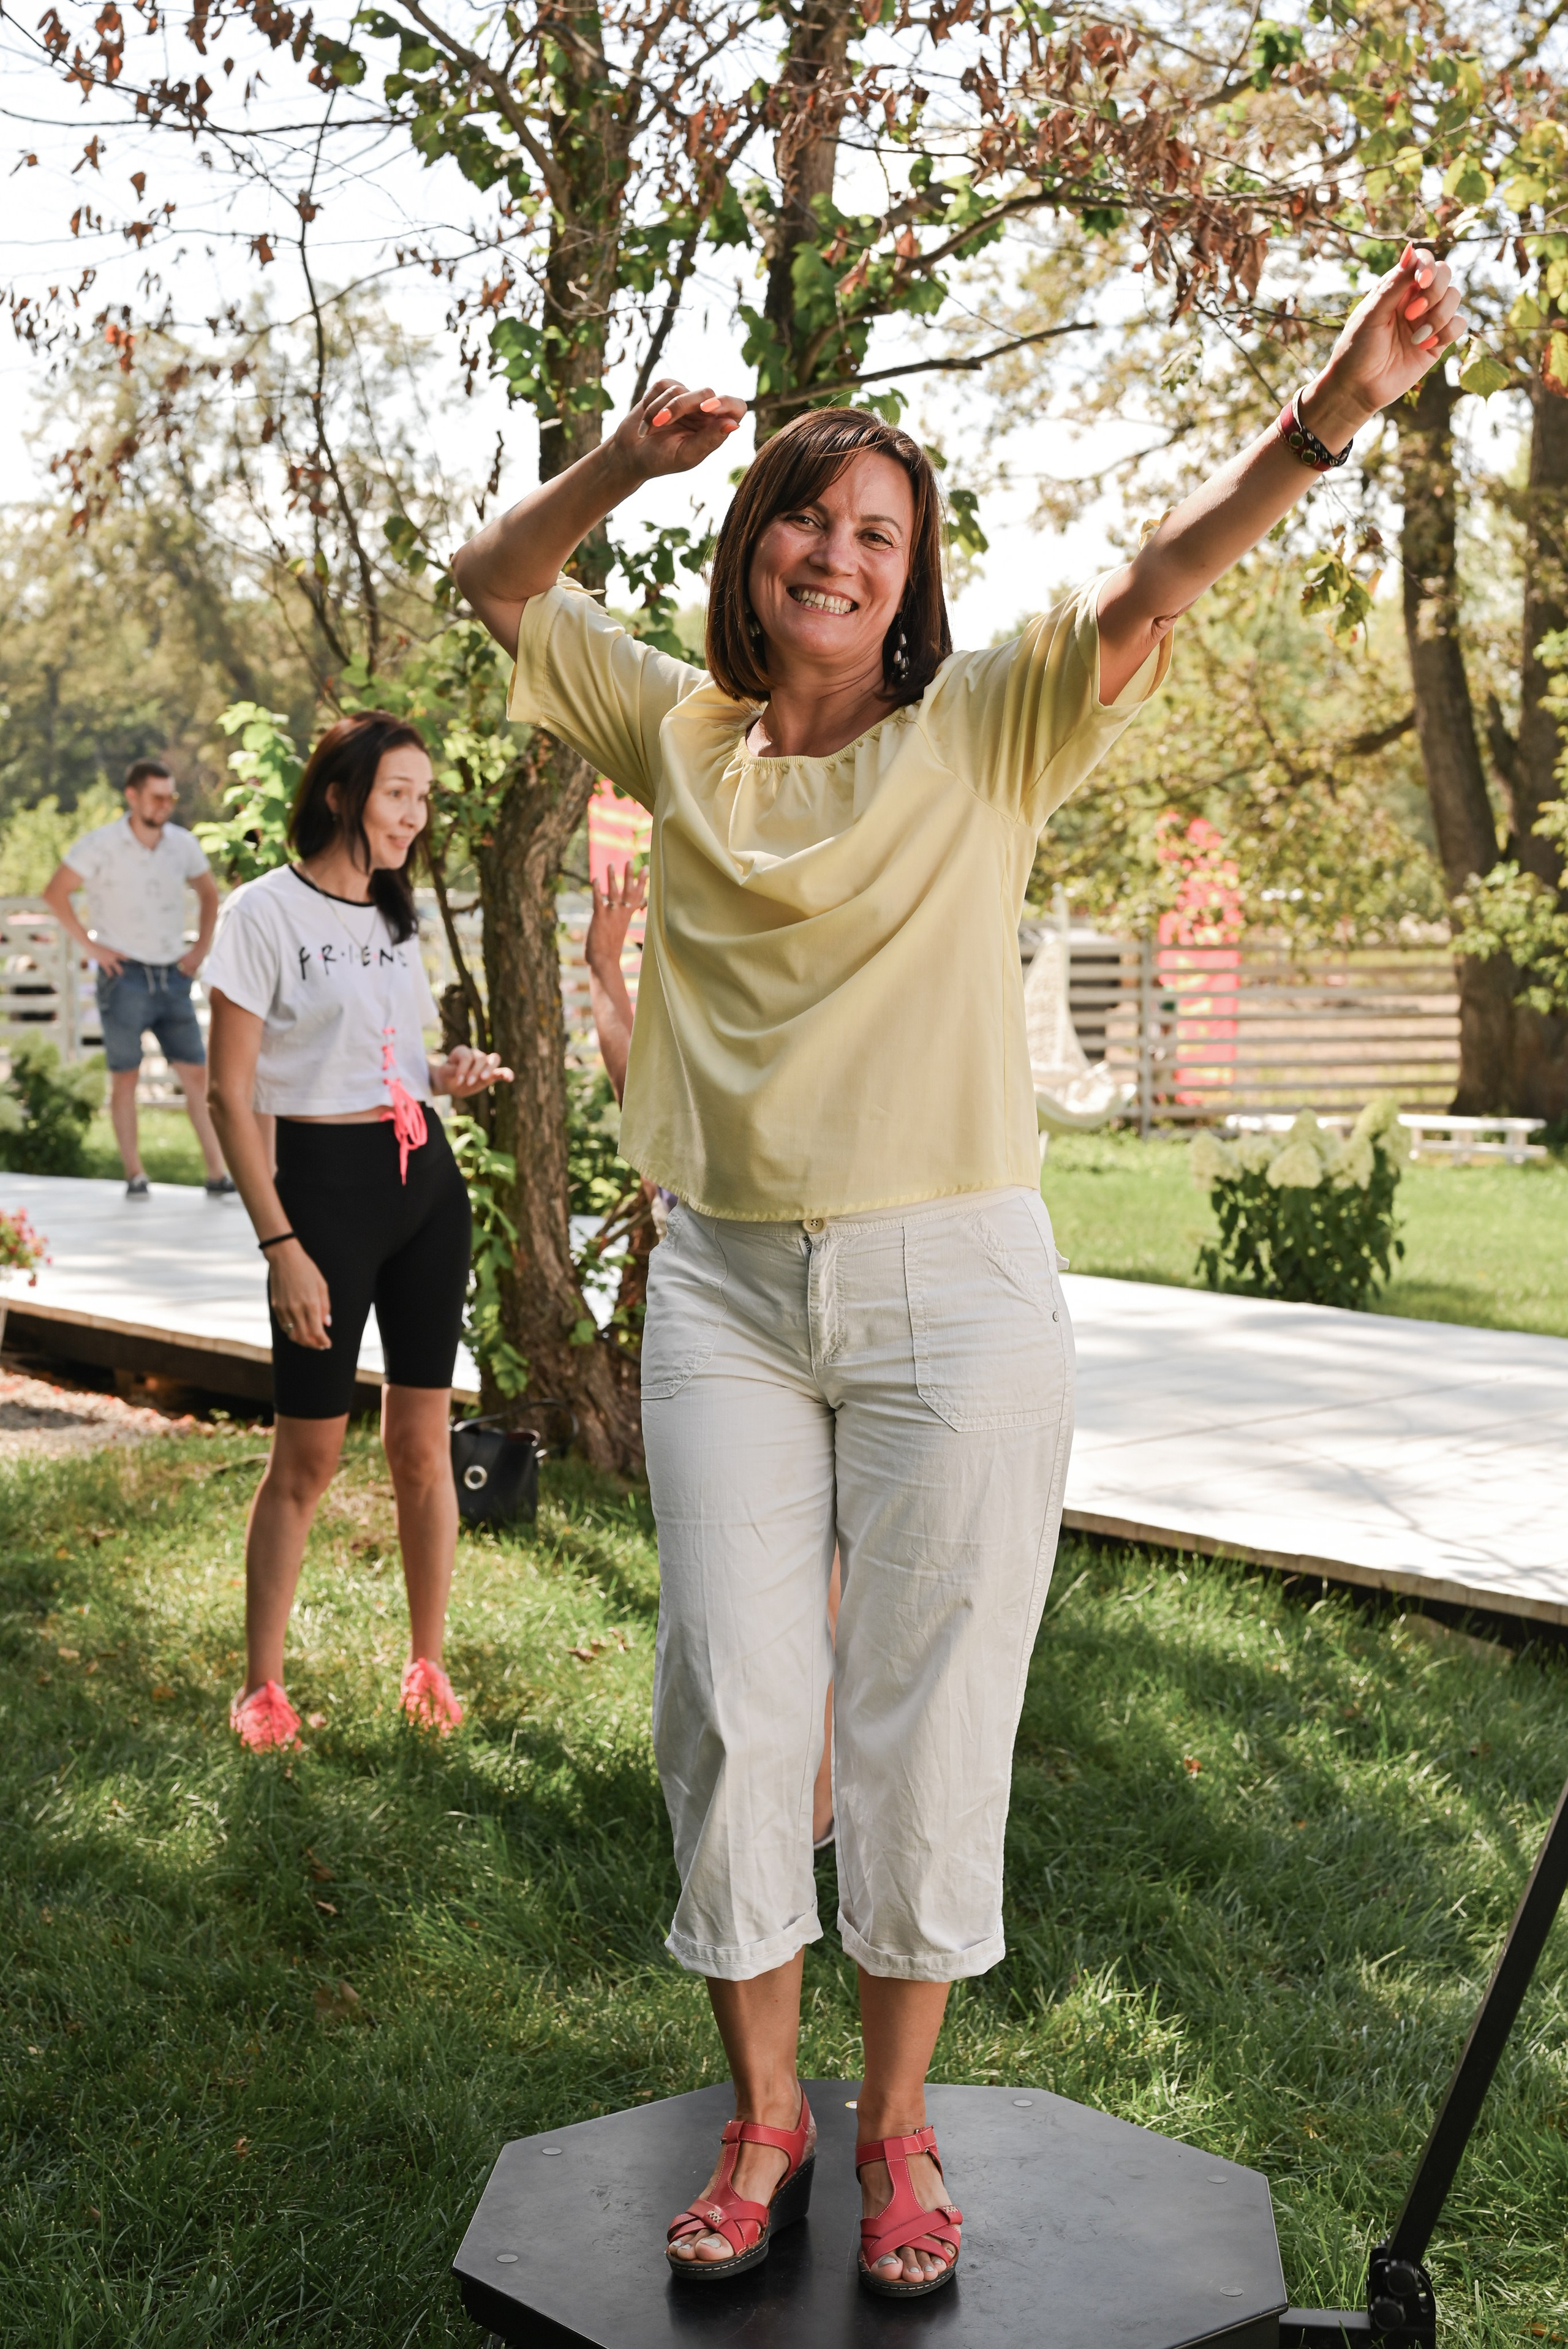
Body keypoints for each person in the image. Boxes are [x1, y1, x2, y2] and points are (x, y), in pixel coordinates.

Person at [452, 239, 1463, 2295]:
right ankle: (760, 2112)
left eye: (881, 532)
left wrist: (1330, 410)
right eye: (810, 518)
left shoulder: (986, 732)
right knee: (735, 1706)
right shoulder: (675, 734)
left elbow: (1157, 585)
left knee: (929, 1723)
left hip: (954, 1297)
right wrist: (613, 467)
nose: (839, 550)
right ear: (756, 551)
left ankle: (897, 2125)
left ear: (914, 582)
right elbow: (493, 581)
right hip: (729, 1288)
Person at [203, 712, 513, 1751]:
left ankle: (427, 1662)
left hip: (426, 1186)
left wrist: (450, 1073)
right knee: (310, 1456)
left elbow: (396, 1060)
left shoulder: (394, 915)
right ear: (342, 794)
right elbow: (228, 1096)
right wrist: (281, 1244)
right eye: (398, 795)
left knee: (423, 1446)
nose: (415, 818)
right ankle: (262, 1689)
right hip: (324, 1198)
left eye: (425, 799)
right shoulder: (262, 915)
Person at [586, 862, 843, 1851]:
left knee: (831, 1584)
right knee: (759, 1593)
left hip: (841, 1277)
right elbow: (637, 1093)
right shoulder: (699, 1036)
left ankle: (815, 1813)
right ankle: (787, 1819)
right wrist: (606, 974)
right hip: (728, 1305)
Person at [44, 758, 235, 1200]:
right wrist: (92, 948)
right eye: (157, 797)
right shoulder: (101, 844)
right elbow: (55, 893)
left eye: (171, 797)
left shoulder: (182, 844)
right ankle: (135, 1175)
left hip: (172, 975)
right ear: (132, 796)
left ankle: (217, 1173)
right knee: (125, 1077)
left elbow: (209, 892)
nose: (166, 804)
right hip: (122, 976)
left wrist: (201, 946)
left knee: (197, 1076)